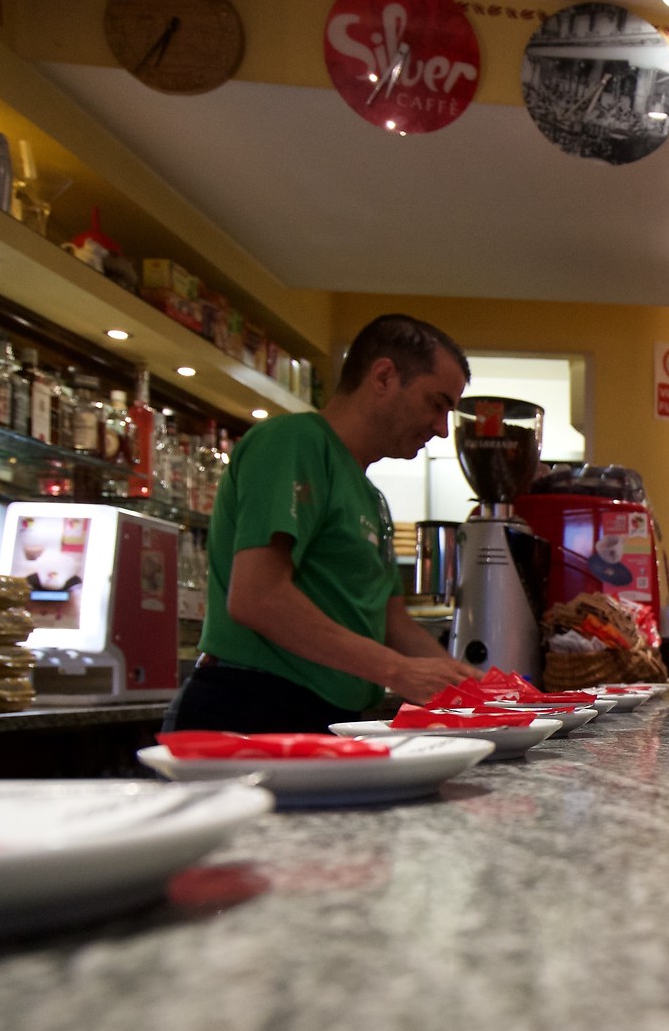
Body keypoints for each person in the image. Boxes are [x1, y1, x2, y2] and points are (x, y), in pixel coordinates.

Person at [165, 314, 478, 734]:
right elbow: (257, 596)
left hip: (321, 714)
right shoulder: (293, 441)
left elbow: (393, 622)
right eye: (437, 404)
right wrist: (398, 671)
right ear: (383, 377)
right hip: (251, 704)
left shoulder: (372, 499)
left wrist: (474, 691)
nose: (441, 429)